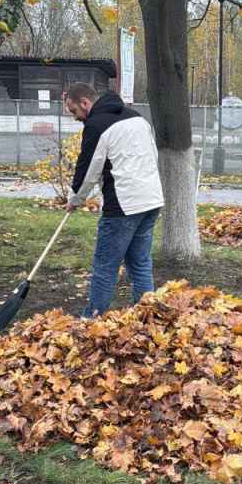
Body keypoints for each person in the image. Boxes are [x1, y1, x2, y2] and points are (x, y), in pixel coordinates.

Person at [64, 83, 164, 316]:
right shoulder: (137, 118)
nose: (75, 117)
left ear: (85, 103)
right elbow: (152, 155)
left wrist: (75, 199)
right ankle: (146, 317)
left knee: (105, 266)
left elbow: (88, 168)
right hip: (151, 199)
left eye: (74, 111)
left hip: (123, 207)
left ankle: (92, 320)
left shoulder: (96, 126)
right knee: (139, 263)